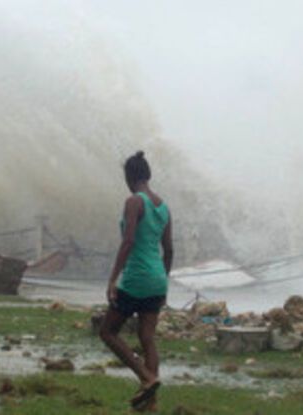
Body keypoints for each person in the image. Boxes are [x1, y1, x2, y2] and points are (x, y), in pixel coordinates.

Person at [100, 150, 173, 412]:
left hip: (136, 277)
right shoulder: (163, 207)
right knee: (147, 338)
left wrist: (112, 279)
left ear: (130, 177)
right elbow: (169, 249)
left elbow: (128, 241)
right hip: (156, 279)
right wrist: (163, 282)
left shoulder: (134, 202)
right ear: (148, 175)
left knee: (108, 332)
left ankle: (146, 377)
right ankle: (150, 403)